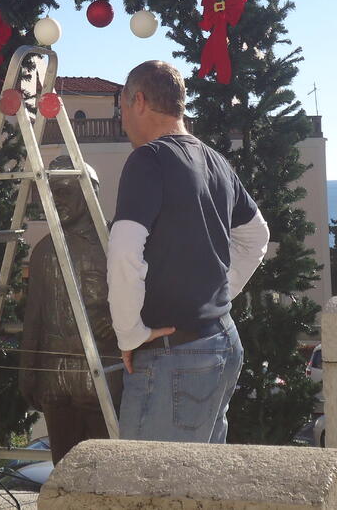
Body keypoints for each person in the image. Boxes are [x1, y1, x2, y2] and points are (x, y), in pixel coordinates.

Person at [107, 60, 270, 443]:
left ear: (141, 101)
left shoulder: (148, 160)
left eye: (123, 108)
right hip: (221, 342)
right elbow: (257, 235)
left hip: (174, 359)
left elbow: (125, 252)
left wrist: (129, 334)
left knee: (147, 489)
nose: (122, 121)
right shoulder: (216, 160)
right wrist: (217, 293)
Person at [19, 156, 121, 464]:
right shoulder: (43, 251)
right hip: (54, 379)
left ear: (90, 192)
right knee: (63, 468)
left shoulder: (113, 245)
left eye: (64, 191)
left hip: (102, 374)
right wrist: (27, 372)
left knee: (107, 469)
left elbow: (146, 299)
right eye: (51, 192)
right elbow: (33, 317)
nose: (55, 200)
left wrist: (119, 323)